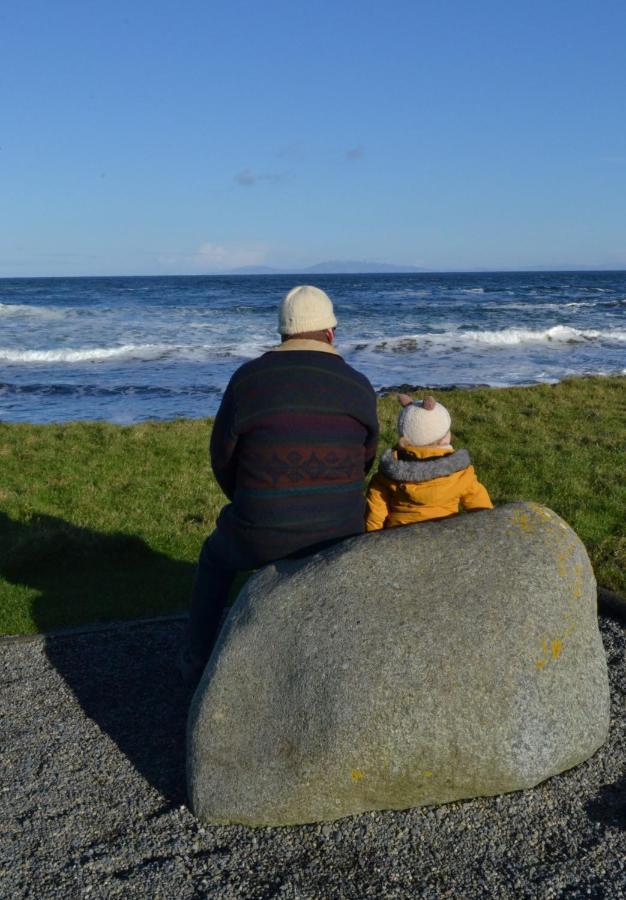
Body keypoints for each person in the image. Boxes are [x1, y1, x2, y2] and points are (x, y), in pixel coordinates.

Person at [180, 285, 379, 682]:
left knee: (215, 559)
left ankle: (197, 661)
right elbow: (366, 460)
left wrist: (251, 502)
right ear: (331, 333)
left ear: (282, 333)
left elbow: (222, 458)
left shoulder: (248, 379)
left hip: (259, 532)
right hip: (340, 533)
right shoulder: (358, 384)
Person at [365, 393, 492, 531]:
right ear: (444, 439)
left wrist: (372, 537)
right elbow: (480, 506)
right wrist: (491, 529)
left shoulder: (388, 473)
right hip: (444, 534)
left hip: (398, 536)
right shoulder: (460, 473)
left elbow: (375, 511)